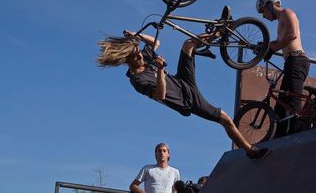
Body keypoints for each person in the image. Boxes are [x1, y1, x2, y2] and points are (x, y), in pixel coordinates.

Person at [97, 31, 267, 159]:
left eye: (139, 52)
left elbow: (155, 42)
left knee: (188, 44)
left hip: (183, 81)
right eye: (137, 55)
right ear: (129, 60)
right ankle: (250, 150)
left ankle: (222, 32)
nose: (141, 55)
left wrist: (136, 35)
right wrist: (160, 70)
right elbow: (161, 95)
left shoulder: (145, 58)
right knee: (225, 119)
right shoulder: (137, 80)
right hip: (187, 101)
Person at [256, 0, 310, 137]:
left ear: (269, 4)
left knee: (293, 99)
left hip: (297, 60)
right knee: (281, 103)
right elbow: (279, 42)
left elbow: (292, 35)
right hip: (291, 62)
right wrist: (265, 46)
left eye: (263, 11)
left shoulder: (287, 12)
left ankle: (299, 135)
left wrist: (273, 48)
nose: (263, 16)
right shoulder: (280, 22)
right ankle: (279, 137)